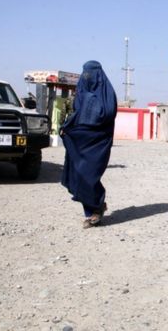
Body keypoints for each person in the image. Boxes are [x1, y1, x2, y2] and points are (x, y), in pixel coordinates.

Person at [60, 61, 117, 228]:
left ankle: (97, 206)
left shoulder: (107, 93)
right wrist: (67, 128)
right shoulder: (81, 91)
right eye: (85, 73)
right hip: (80, 140)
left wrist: (90, 101)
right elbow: (76, 114)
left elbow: (107, 113)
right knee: (78, 175)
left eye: (91, 73)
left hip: (99, 141)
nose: (87, 77)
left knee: (89, 175)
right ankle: (93, 211)